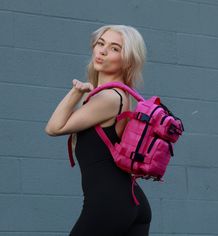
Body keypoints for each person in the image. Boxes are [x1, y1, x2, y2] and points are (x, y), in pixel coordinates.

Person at [45, 25, 152, 236]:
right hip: (132, 202)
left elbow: (54, 127)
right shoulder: (120, 95)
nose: (102, 51)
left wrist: (76, 91)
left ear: (128, 59)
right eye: (100, 44)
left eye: (114, 48)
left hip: (109, 205)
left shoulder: (109, 98)